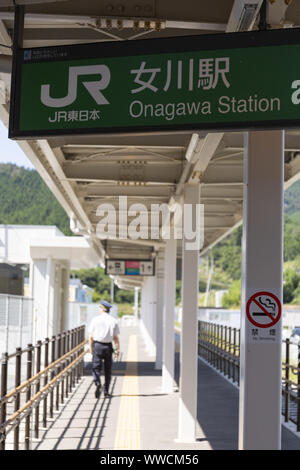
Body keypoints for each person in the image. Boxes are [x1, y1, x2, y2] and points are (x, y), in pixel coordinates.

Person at [88, 300, 120, 398]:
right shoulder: (113, 320)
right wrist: (117, 350)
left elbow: (91, 336)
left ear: (102, 309)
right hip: (108, 347)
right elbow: (115, 337)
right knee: (107, 370)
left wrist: (90, 348)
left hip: (98, 346)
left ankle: (97, 382)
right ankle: (106, 391)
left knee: (96, 367)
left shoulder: (95, 319)